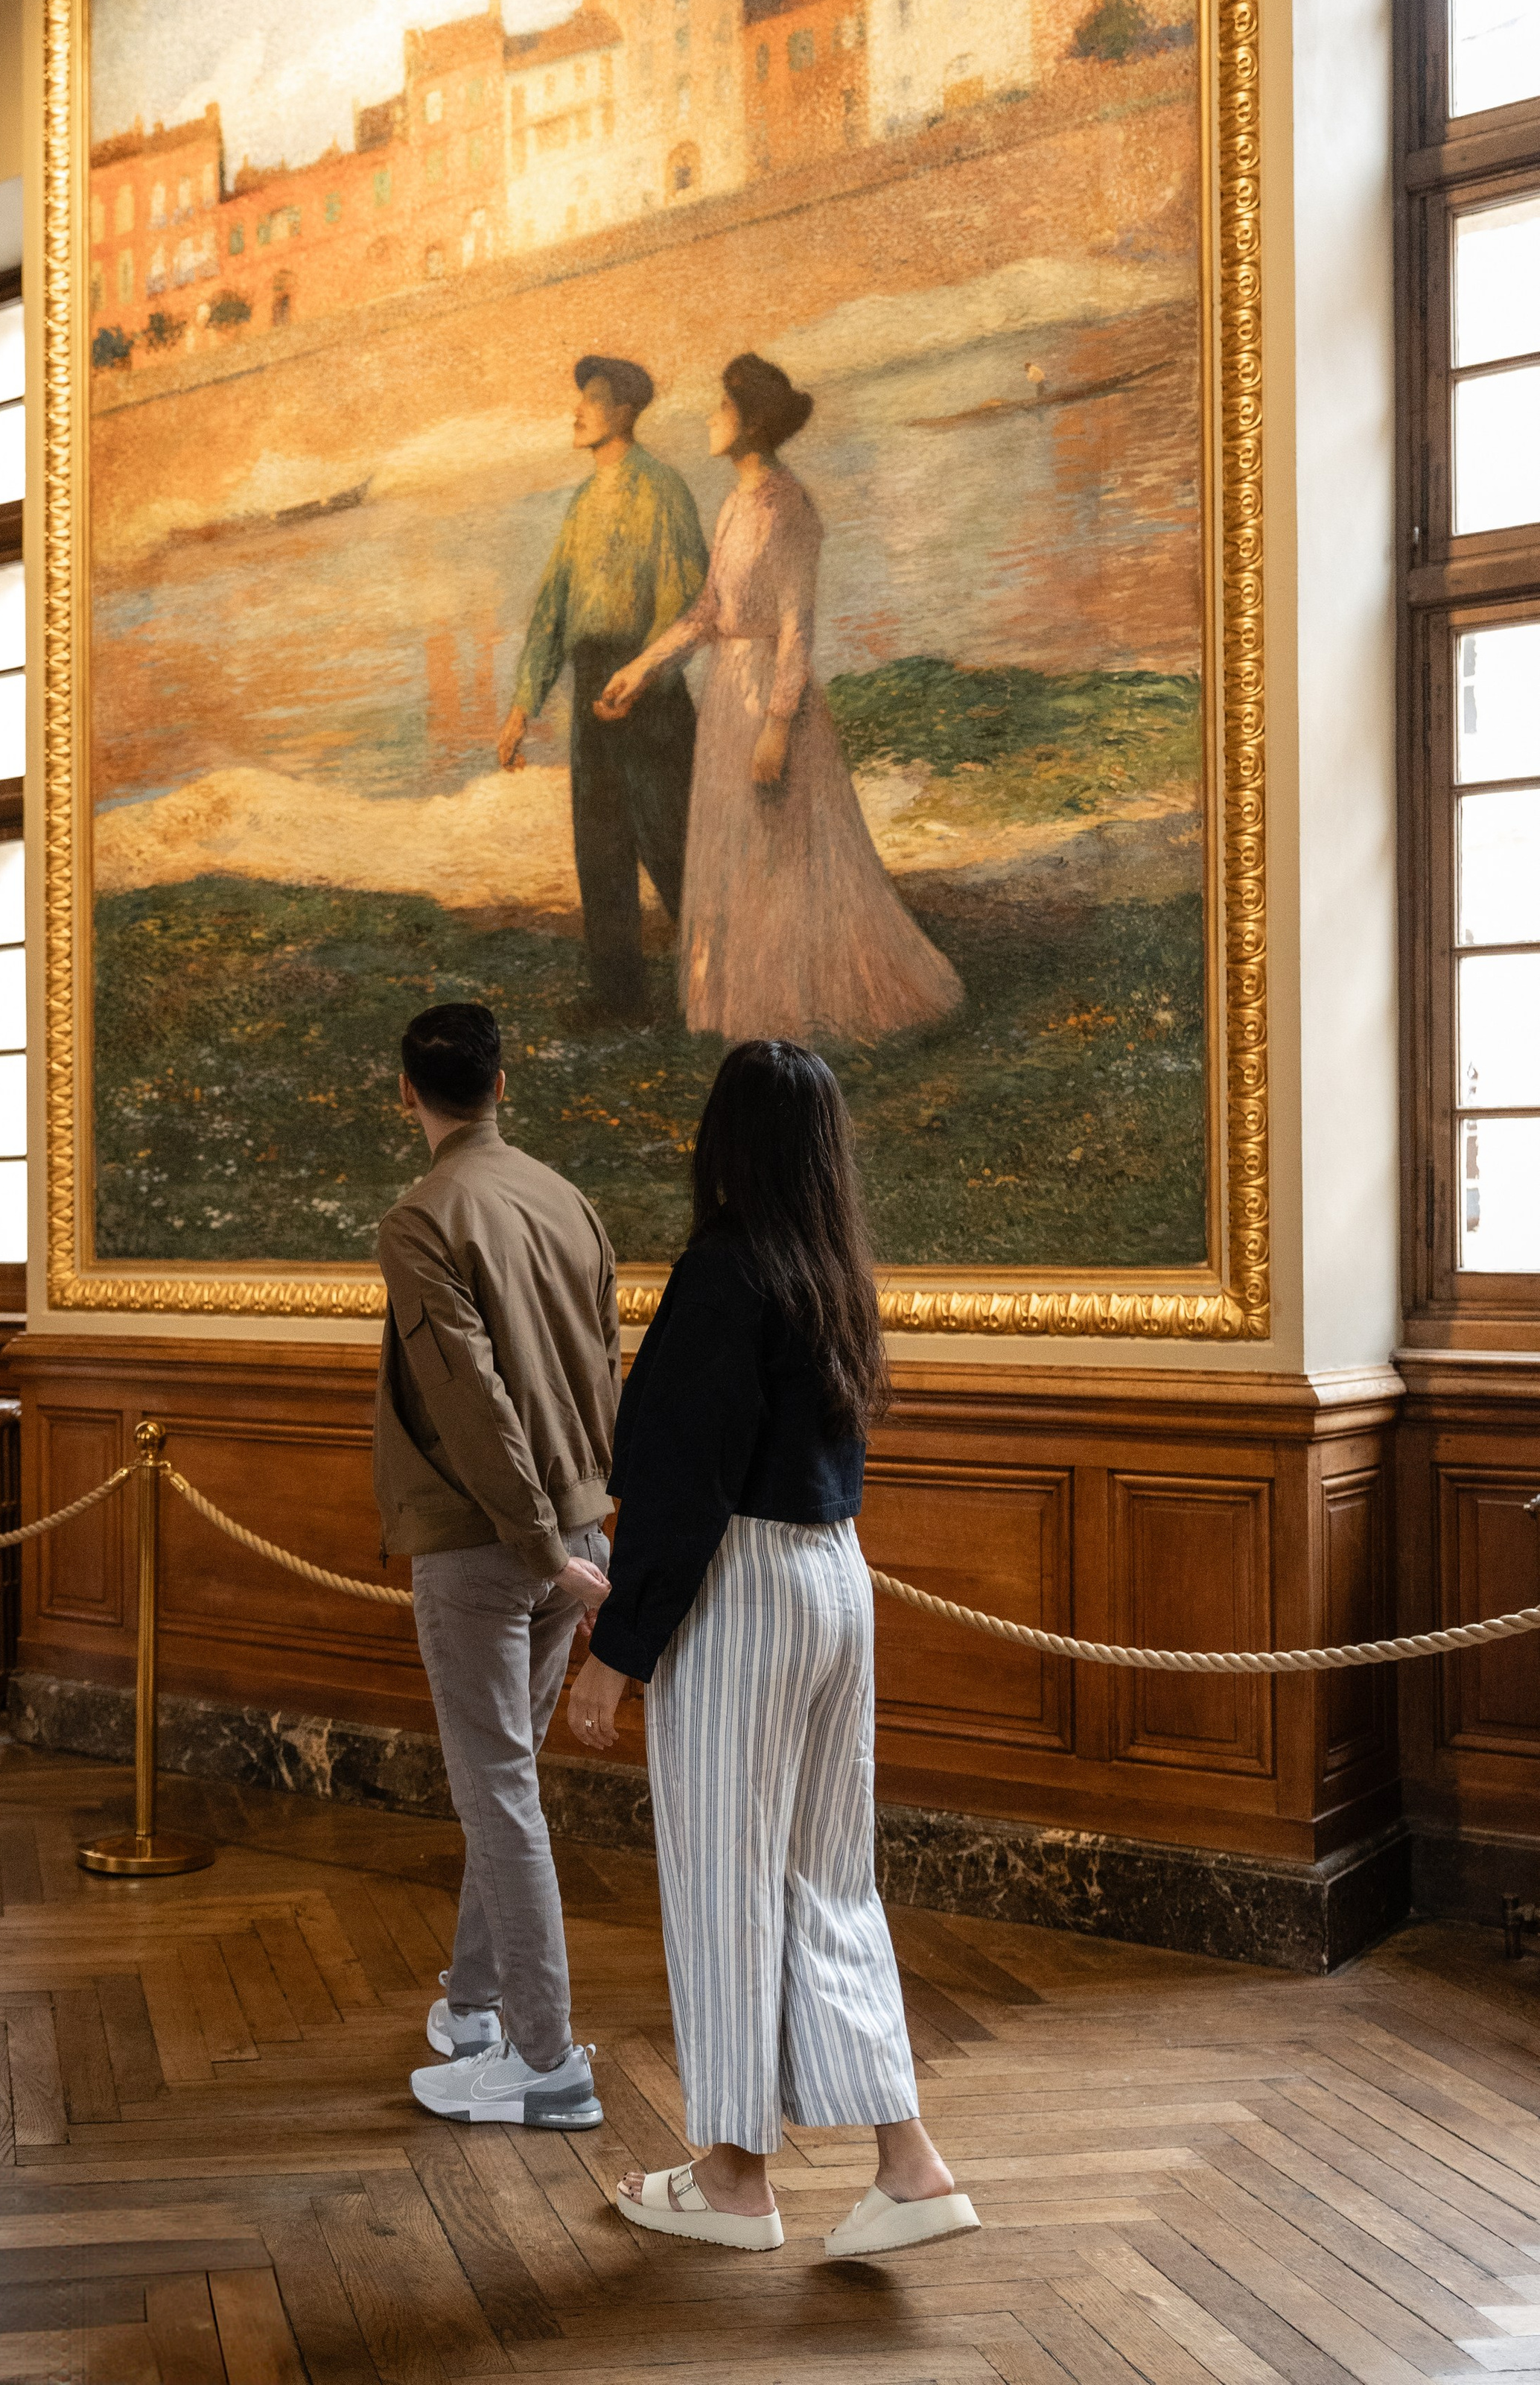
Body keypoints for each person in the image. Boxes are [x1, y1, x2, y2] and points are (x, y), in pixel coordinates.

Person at [567, 1040, 979, 2261]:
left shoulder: (727, 1267)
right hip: (834, 1579)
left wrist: (616, 1652)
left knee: (725, 1883)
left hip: (741, 1588)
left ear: (724, 1140)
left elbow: (685, 1489)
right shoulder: (830, 1271)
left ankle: (737, 2180)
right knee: (824, 1881)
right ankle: (909, 2165)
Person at [374, 1000, 619, 2130]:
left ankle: (547, 2061)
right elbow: (607, 1371)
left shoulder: (423, 1216)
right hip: (572, 1533)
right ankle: (474, 2008)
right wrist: (574, 1542)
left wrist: (532, 1545)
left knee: (501, 1794)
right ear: (504, 1085)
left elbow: (470, 1403)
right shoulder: (569, 1201)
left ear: (407, 1095)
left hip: (491, 1547)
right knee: (504, 1787)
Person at [594, 352, 962, 1044]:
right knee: (739, 848)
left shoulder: (788, 505)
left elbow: (796, 624)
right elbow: (710, 610)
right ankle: (748, 1007)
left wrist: (778, 724)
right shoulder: (735, 501)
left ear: (750, 421)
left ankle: (804, 1002)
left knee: (784, 851)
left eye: (721, 408)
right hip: (728, 695)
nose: (709, 418)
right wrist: (643, 667)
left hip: (769, 699)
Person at [499, 356, 707, 1020]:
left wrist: (644, 675)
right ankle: (619, 997)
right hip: (593, 683)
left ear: (625, 412)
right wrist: (521, 706)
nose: (578, 410)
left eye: (593, 400)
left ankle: (721, 986)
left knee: (672, 841)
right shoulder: (583, 500)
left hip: (648, 686)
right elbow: (553, 609)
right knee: (600, 843)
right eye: (580, 399)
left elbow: (686, 600)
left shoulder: (661, 488)